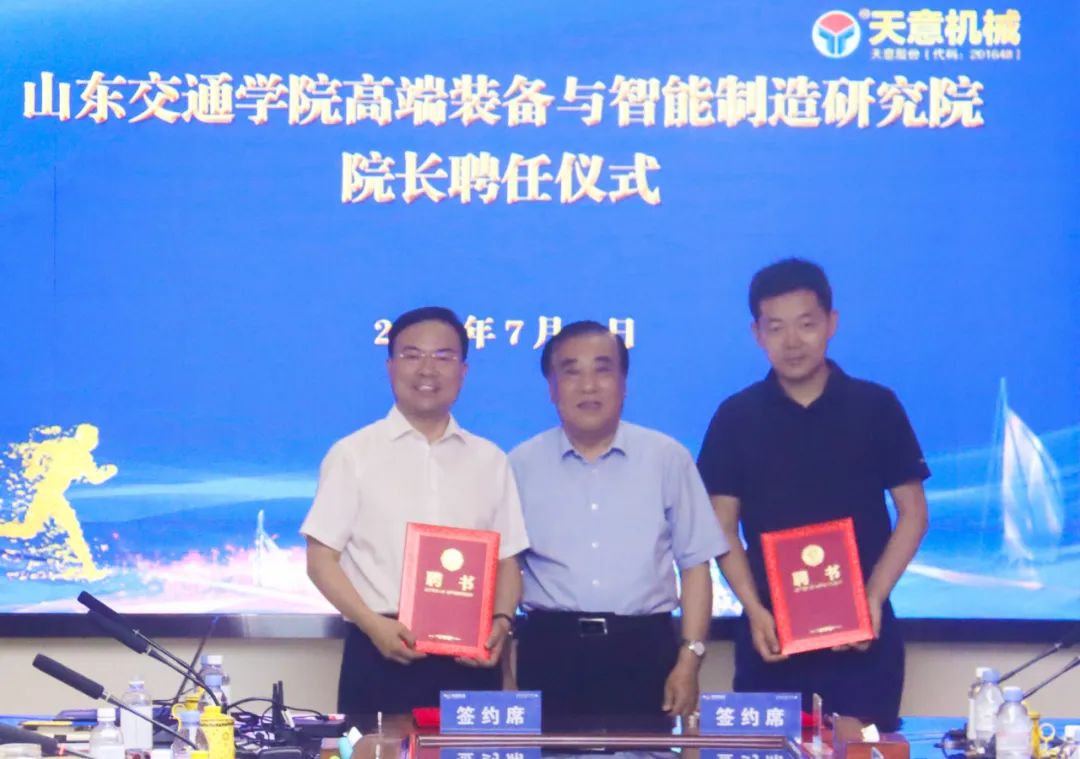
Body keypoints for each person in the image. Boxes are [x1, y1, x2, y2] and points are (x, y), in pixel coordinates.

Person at [697, 259, 930, 730]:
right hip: (771, 640)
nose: (792, 341)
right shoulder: (735, 417)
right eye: (776, 327)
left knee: (860, 751)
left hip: (863, 641)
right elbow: (720, 527)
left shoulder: (877, 406)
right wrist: (753, 608)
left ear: (831, 323)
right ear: (757, 333)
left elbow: (913, 514)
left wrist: (873, 597)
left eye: (806, 324)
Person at [301, 306, 529, 714]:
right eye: (412, 355)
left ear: (463, 371)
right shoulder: (353, 454)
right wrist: (372, 625)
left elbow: (508, 560)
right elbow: (321, 559)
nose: (427, 369)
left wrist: (501, 622)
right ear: (390, 367)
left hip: (471, 659)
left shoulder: (491, 460)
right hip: (380, 649)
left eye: (443, 356)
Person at [509, 320, 728, 719]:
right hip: (551, 650)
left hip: (644, 650)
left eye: (603, 369)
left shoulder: (667, 458)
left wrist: (690, 657)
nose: (588, 386)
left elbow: (696, 565)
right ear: (552, 388)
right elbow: (506, 568)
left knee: (641, 748)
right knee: (549, 750)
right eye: (571, 372)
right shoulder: (520, 465)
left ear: (624, 384)